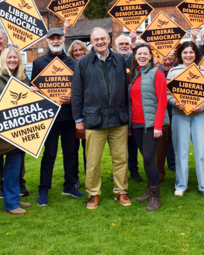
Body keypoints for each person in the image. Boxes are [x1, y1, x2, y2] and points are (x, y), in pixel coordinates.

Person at [71, 27, 131, 209]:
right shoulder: (83, 63)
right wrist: (78, 119)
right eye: (96, 39)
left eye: (103, 38)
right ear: (92, 42)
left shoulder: (119, 60)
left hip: (118, 118)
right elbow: (77, 93)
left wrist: (128, 119)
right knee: (93, 161)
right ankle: (93, 194)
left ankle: (121, 191)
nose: (100, 42)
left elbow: (126, 89)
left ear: (108, 40)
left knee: (121, 158)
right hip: (93, 119)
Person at [30, 27, 85, 206]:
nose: (55, 41)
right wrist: (37, 93)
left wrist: (71, 98)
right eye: (52, 38)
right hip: (50, 116)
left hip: (69, 116)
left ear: (63, 40)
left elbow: (79, 90)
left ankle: (69, 185)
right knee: (50, 153)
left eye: (58, 38)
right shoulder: (38, 63)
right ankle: (43, 189)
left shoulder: (73, 63)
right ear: (47, 41)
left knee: (71, 152)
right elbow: (34, 92)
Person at [0, 28, 29, 198]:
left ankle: (16, 186)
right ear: (3, 59)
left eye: (15, 57)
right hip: (2, 123)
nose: (12, 59)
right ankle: (0, 186)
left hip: (20, 123)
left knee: (18, 154)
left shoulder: (23, 76)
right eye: (9, 57)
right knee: (0, 153)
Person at [166, 41, 204, 198]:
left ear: (196, 54)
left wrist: (202, 106)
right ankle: (181, 185)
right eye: (185, 52)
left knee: (202, 152)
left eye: (191, 52)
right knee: (181, 151)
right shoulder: (173, 72)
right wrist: (175, 102)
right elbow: (167, 95)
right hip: (180, 116)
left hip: (199, 116)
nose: (188, 55)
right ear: (180, 54)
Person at [128, 43, 169, 211]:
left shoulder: (156, 73)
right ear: (135, 56)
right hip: (136, 124)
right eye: (139, 54)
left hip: (152, 124)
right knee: (145, 158)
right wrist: (130, 125)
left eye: (146, 54)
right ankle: (150, 187)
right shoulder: (133, 74)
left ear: (151, 56)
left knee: (149, 157)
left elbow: (162, 101)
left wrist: (158, 125)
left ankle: (155, 195)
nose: (142, 56)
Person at [115, 33, 143, 182]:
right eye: (121, 44)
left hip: (132, 107)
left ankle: (133, 169)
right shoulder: (112, 60)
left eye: (126, 44)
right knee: (117, 143)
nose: (124, 46)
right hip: (116, 107)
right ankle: (118, 172)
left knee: (132, 142)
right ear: (116, 46)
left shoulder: (135, 61)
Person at [67, 39, 90, 187]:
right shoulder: (68, 67)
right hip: (72, 115)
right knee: (72, 149)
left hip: (88, 114)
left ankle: (90, 176)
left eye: (80, 49)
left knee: (89, 148)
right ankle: (74, 177)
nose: (78, 52)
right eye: (75, 50)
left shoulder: (90, 65)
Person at [155, 55, 176, 182]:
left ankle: (176, 168)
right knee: (161, 145)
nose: (168, 62)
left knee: (177, 143)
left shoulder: (179, 71)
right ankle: (159, 173)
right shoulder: (156, 71)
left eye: (170, 59)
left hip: (177, 111)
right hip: (162, 112)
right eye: (165, 59)